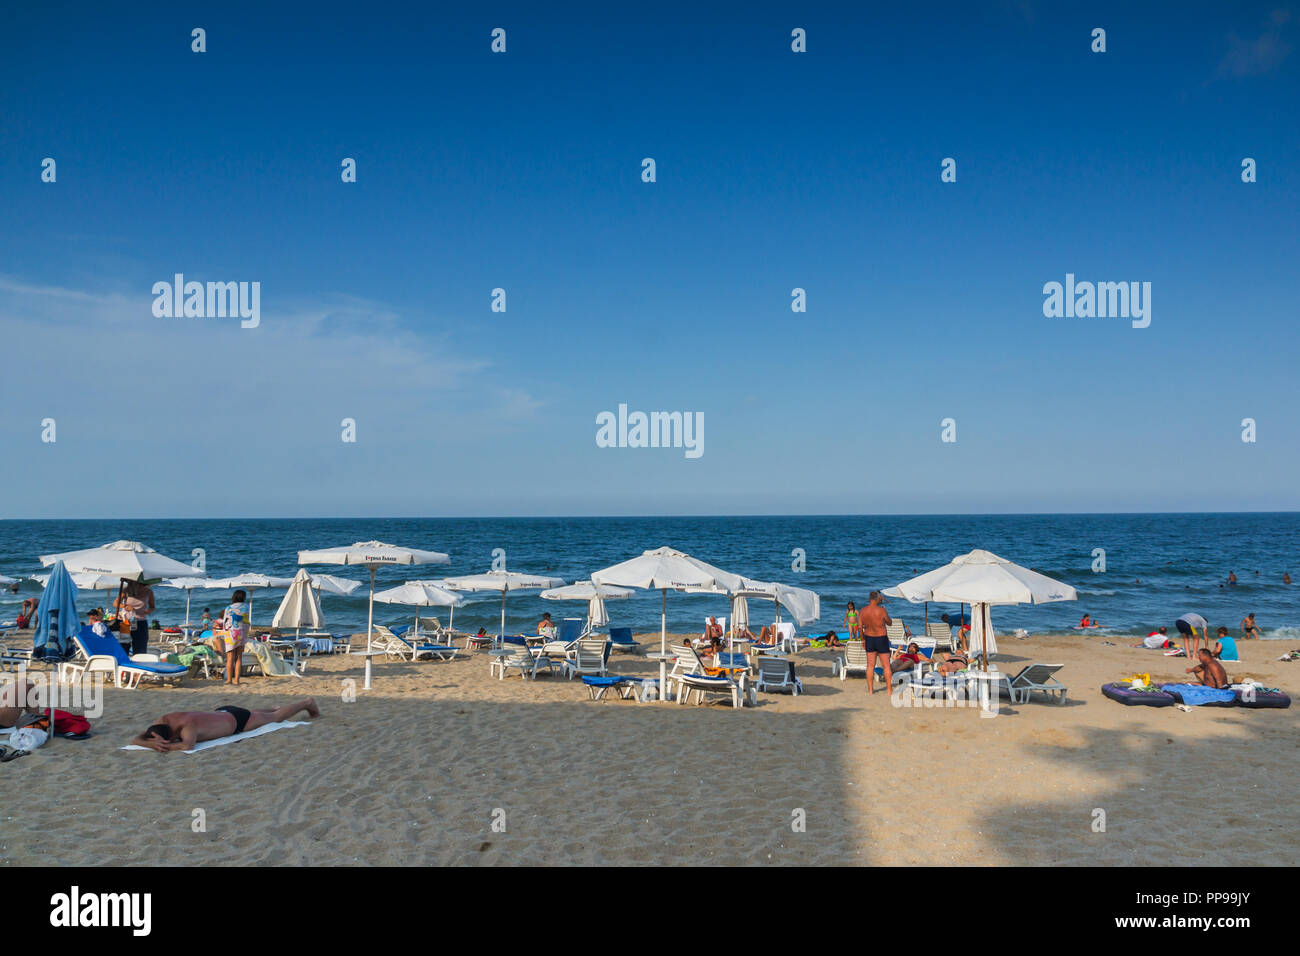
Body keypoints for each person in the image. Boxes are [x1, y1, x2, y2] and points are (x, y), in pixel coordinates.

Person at [130, 698, 321, 752]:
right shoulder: (162, 721)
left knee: (277, 718)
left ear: (170, 737)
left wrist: (166, 747)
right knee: (258, 713)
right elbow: (137, 737)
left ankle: (306, 703)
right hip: (222, 712)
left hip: (238, 721)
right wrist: (150, 742)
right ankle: (271, 708)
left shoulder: (188, 727)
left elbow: (187, 745)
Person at [859, 591, 892, 694]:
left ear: (869, 599)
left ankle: (870, 690)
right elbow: (889, 623)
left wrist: (862, 639)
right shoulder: (881, 610)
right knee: (886, 665)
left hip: (869, 638)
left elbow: (860, 627)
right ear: (878, 599)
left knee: (870, 665)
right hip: (881, 638)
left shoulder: (863, 611)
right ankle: (890, 690)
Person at [220, 589, 251, 686]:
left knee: (230, 658)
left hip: (230, 634)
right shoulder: (246, 607)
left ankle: (229, 680)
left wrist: (226, 635)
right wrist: (246, 635)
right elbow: (246, 622)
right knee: (238, 657)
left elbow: (225, 623)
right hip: (241, 634)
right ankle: (237, 680)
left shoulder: (228, 607)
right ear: (243, 597)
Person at [121, 580, 155, 656]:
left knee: (140, 649)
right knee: (124, 647)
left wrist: (148, 611)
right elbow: (115, 603)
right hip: (126, 622)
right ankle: (125, 665)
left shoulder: (148, 591)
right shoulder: (126, 590)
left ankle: (139, 666)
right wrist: (125, 606)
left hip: (141, 622)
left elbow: (152, 607)